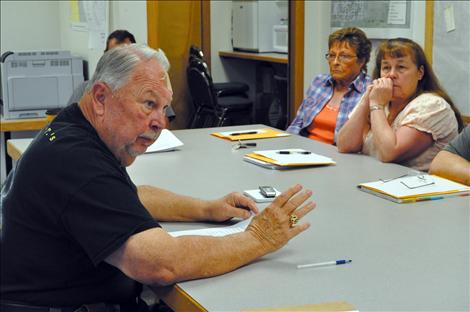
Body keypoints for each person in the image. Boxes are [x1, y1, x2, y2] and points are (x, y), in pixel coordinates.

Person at [0, 44, 315, 311]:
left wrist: (206, 209)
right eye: (149, 104)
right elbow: (159, 264)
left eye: (165, 109)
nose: (160, 123)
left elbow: (126, 196)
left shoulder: (77, 129)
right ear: (100, 98)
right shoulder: (76, 160)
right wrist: (257, 238)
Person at [337, 38, 463, 171]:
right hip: (374, 178)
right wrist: (366, 99)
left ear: (420, 73)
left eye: (401, 67)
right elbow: (345, 145)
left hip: (416, 187)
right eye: (386, 67)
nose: (391, 75)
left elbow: (388, 153)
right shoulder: (379, 98)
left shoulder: (433, 105)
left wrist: (376, 105)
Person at [66, 29, 176, 122]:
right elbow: (69, 124)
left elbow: (165, 121)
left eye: (128, 57)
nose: (123, 62)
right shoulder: (84, 90)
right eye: (116, 56)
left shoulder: (153, 89)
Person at [287, 27, 372, 145]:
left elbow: (367, 142)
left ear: (361, 61)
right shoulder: (319, 82)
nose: (335, 62)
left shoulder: (370, 90)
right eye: (332, 55)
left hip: (341, 156)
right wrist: (285, 147)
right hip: (304, 150)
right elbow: (298, 123)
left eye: (344, 56)